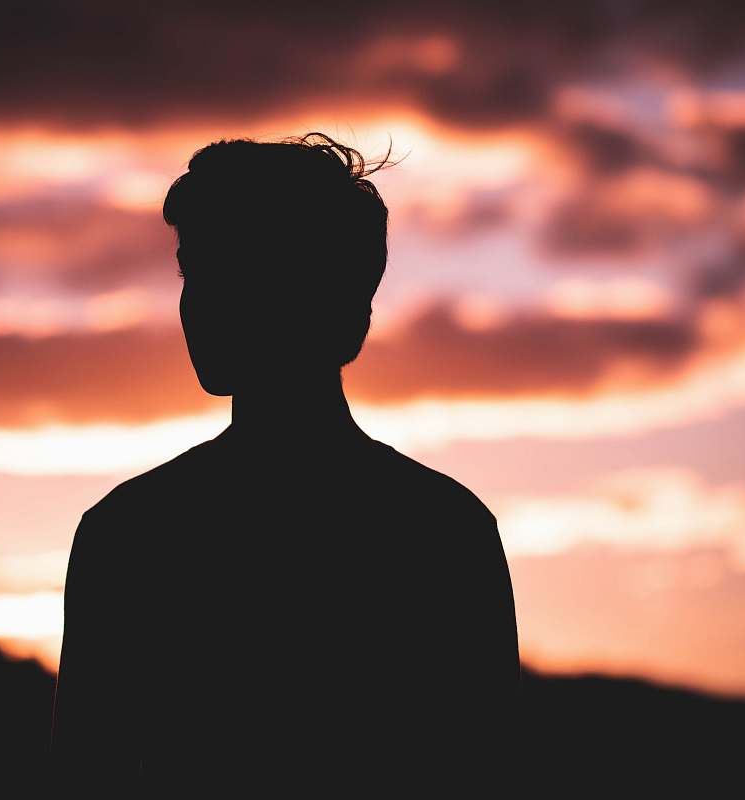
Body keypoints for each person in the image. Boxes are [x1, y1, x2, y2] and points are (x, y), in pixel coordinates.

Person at [51, 133, 519, 794]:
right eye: (194, 269)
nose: (204, 302)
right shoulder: (443, 525)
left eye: (241, 271)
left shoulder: (133, 529)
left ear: (343, 309)